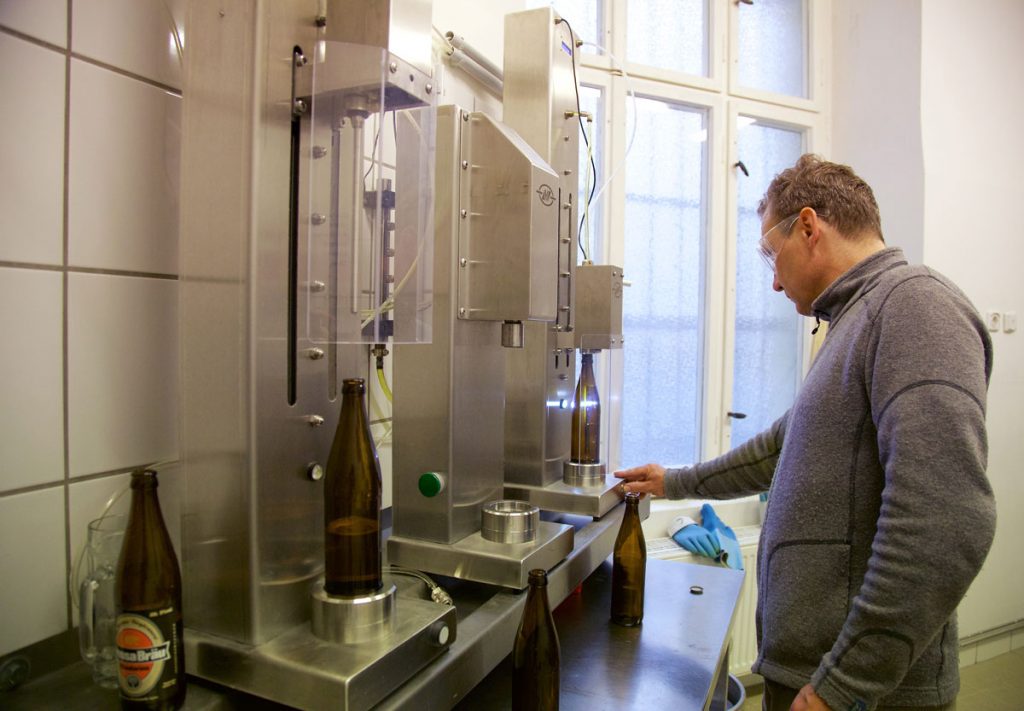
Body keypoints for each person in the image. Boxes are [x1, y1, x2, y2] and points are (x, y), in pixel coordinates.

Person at [616, 154, 995, 711]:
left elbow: (947, 520)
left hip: (868, 694)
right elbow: (778, 448)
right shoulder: (853, 322)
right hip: (818, 675)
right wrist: (673, 482)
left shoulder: (914, 306)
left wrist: (845, 685)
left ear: (810, 227)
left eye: (772, 255)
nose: (772, 281)